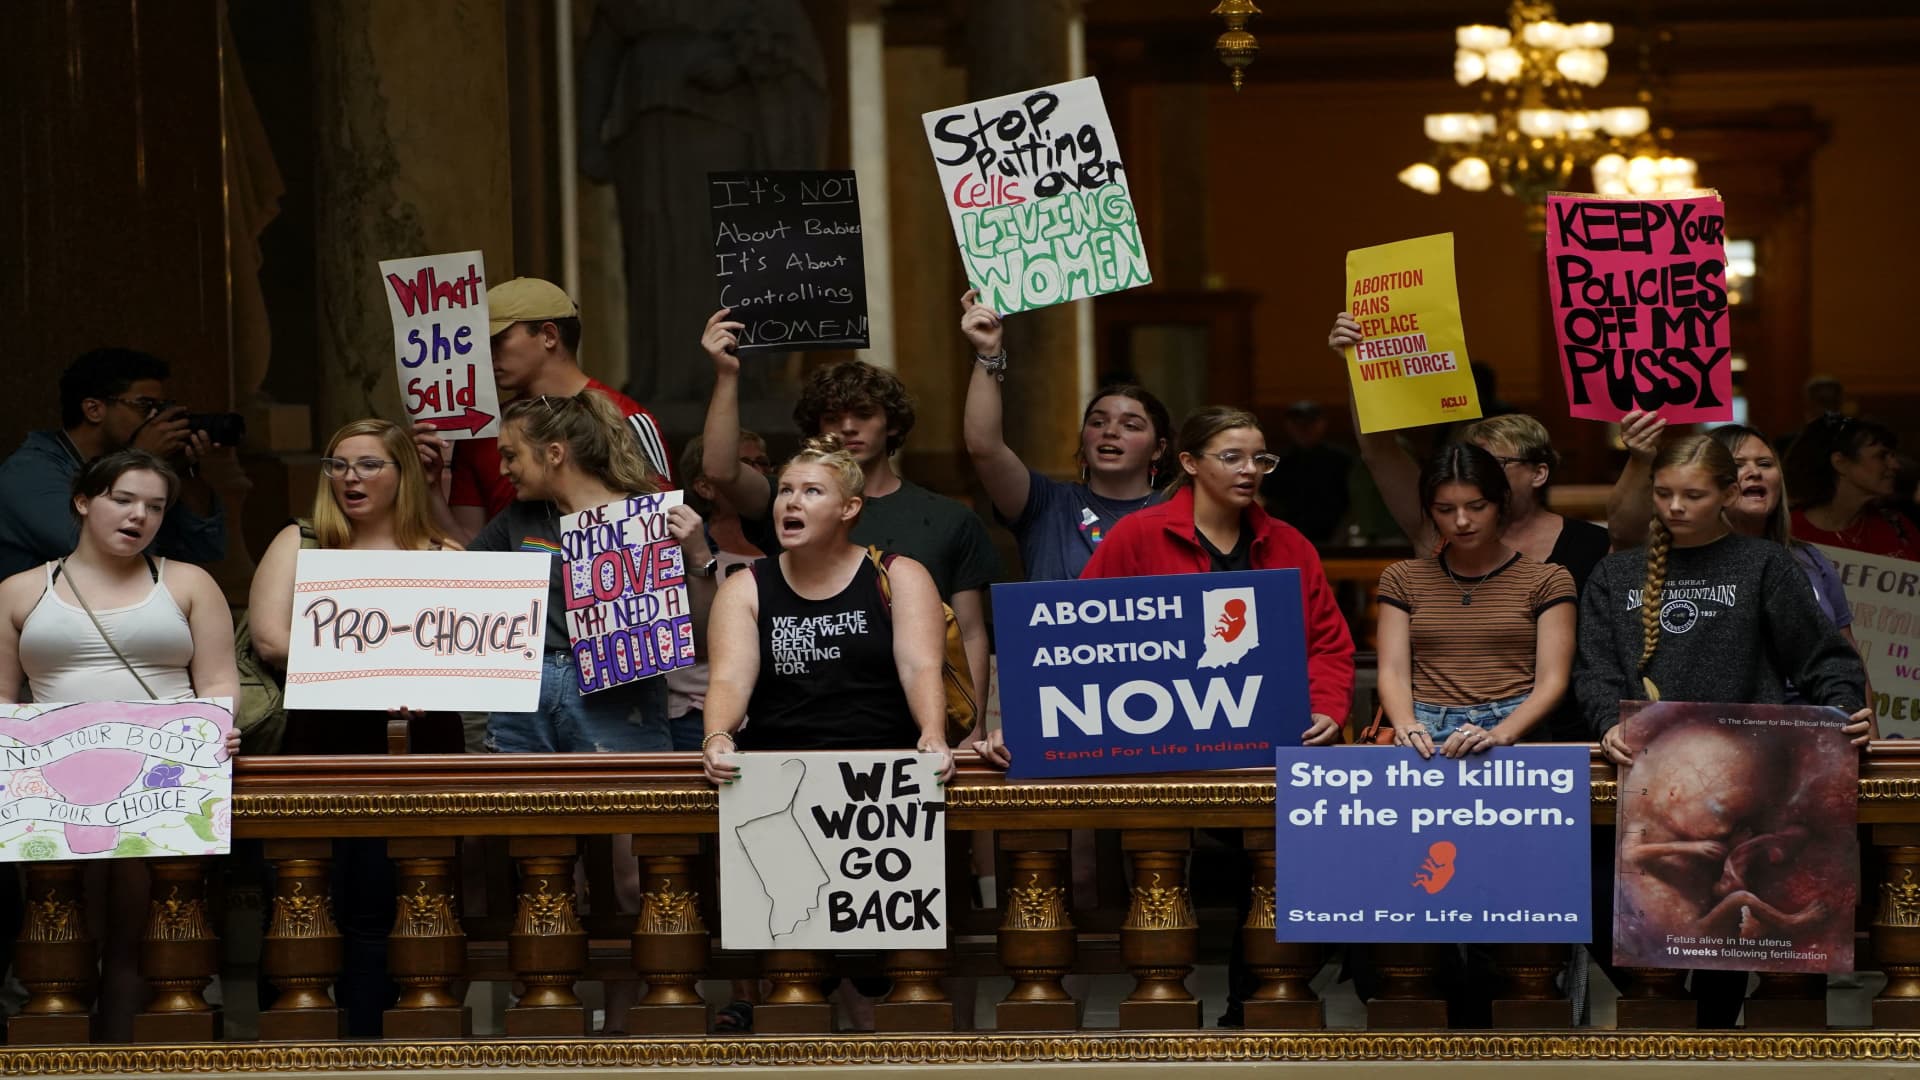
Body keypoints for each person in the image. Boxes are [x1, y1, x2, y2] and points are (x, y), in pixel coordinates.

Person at [1574, 434, 1872, 1027]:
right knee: (1605, 909)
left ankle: (1711, 1037)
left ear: (1729, 495)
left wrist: (1843, 707)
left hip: (1735, 791)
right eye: (1664, 494)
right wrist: (1609, 720)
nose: (1675, 507)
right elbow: (1594, 670)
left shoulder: (1763, 565)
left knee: (1723, 932)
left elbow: (1823, 658)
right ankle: (1670, 1018)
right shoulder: (1616, 575)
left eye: (1693, 495)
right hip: (1638, 779)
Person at [0, 449, 239, 1041]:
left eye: (155, 507)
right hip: (53, 782)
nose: (139, 516)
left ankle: (130, 1055)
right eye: (123, 500)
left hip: (163, 779)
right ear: (84, 501)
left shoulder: (188, 582)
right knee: (64, 919)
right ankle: (64, 1060)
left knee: (145, 922)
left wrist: (219, 726)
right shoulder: (18, 590)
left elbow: (217, 682)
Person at [246, 418, 466, 1035]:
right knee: (305, 895)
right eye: (339, 465)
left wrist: (424, 680)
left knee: (399, 894)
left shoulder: (441, 552)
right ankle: (297, 1040)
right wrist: (380, 674)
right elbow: (270, 639)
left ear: (404, 474)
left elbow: (473, 649)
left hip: (421, 745)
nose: (351, 478)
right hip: (322, 743)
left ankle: (380, 1038)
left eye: (369, 465)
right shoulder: (303, 541)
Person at [702, 311, 997, 710]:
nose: (847, 427)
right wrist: (726, 375)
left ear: (891, 424)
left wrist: (972, 722)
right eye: (832, 418)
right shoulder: (791, 503)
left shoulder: (950, 519)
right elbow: (721, 470)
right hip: (797, 717)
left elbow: (971, 632)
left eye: (863, 414)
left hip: (909, 721)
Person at [1079, 406, 1355, 741]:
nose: (1250, 470)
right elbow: (1084, 635)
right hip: (1164, 730)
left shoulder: (1291, 545)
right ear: (1190, 463)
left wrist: (1326, 705)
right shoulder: (1137, 535)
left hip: (1276, 726)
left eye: (1260, 459)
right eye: (1232, 457)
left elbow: (1329, 645)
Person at [467, 390, 715, 755]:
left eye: (510, 456)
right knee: (515, 806)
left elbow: (701, 640)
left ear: (554, 454)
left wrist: (697, 554)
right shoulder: (517, 519)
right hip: (525, 696)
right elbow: (457, 589)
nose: (503, 470)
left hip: (619, 705)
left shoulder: (648, 521)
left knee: (625, 806)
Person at [700, 433, 953, 771]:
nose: (792, 502)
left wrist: (933, 733)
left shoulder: (900, 576)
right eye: (786, 490)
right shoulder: (744, 588)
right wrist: (717, 736)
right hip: (777, 768)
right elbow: (729, 679)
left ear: (848, 508)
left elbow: (919, 668)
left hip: (884, 772)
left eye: (812, 492)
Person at [1327, 314, 1612, 594]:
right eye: (1475, 462)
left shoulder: (1593, 544)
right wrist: (1358, 365)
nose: (1479, 474)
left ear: (1538, 473)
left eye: (1496, 463)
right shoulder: (1443, 531)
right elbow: (1380, 451)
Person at [1604, 420, 1873, 693]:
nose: (1754, 472)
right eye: (1739, 464)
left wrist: (1866, 730)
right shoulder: (1669, 561)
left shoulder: (1809, 559)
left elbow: (1843, 661)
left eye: (1765, 464)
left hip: (1815, 721)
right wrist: (1641, 459)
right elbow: (1622, 530)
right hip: (1738, 721)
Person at [432, 277, 672, 542]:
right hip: (508, 580)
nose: (486, 353)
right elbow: (468, 551)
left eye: (498, 339)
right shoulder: (484, 430)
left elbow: (660, 534)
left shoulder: (627, 419)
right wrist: (430, 487)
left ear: (548, 335)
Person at [1377, 443, 1575, 759]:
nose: (1462, 521)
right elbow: (1393, 671)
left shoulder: (1547, 579)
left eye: (1477, 506)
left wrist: (1501, 734)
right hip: (1422, 732)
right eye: (1445, 510)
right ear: (1429, 511)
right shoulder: (1403, 578)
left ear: (1500, 503)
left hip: (1515, 728)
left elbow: (1552, 681)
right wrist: (1406, 726)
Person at [959, 289, 1171, 580]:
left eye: (1130, 425)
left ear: (1158, 449)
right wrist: (987, 353)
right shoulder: (1047, 505)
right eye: (1097, 422)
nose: (1110, 431)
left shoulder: (1181, 511)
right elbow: (984, 447)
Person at [0, 348, 241, 580]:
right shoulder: (28, 473)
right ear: (94, 409)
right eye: (146, 406)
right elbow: (104, 552)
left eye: (161, 408)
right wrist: (138, 458)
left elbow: (206, 550)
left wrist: (183, 470)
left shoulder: (151, 472)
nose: (157, 419)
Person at [663, 432, 770, 753]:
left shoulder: (788, 539)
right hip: (693, 714)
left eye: (763, 464)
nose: (758, 474)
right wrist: (698, 556)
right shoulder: (677, 543)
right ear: (705, 487)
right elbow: (698, 640)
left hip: (771, 712)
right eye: (744, 465)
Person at [1783, 413, 1920, 561]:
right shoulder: (1787, 534)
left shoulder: (1897, 525)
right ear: (1840, 463)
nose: (1895, 465)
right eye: (1882, 456)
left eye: (1893, 456)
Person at [1260, 401, 1353, 547]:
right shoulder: (1278, 462)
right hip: (1288, 539)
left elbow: (1353, 503)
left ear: (1322, 423)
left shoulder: (1342, 460)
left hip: (1334, 538)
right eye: (1297, 423)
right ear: (1288, 425)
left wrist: (1341, 536)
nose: (1304, 428)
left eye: (1310, 422)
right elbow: (1269, 502)